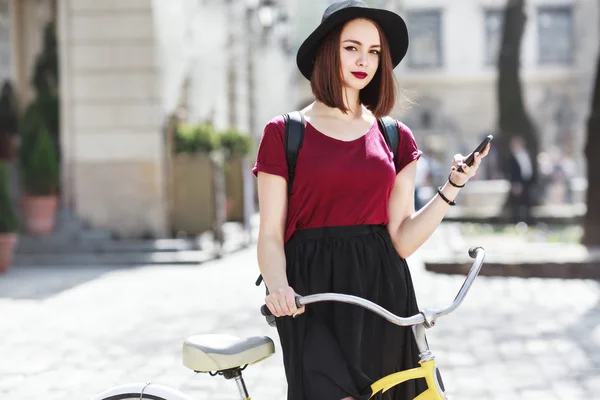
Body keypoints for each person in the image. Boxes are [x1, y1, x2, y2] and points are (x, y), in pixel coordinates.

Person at [252, 1, 490, 399]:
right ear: (327, 50)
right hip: (311, 297)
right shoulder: (284, 133)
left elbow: (401, 238)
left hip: (383, 291)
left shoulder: (396, 137)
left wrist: (452, 187)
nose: (365, 60)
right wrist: (278, 287)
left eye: (374, 51)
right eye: (352, 48)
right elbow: (271, 235)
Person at [506, 136, 534, 223]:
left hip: (528, 181)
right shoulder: (511, 156)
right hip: (517, 183)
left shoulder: (527, 154)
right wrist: (514, 183)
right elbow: (510, 172)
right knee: (517, 204)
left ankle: (528, 221)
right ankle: (517, 222)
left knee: (528, 203)